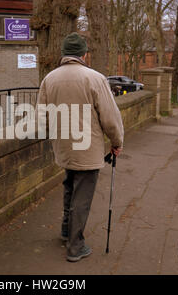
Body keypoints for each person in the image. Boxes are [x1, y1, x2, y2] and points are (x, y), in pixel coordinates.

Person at [37, 32, 124, 262]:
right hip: (87, 147)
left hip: (64, 144)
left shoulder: (49, 79)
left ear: (64, 54)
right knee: (82, 196)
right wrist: (117, 143)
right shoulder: (95, 78)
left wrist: (54, 135)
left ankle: (66, 231)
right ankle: (75, 247)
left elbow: (42, 117)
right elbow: (110, 118)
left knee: (69, 186)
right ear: (84, 54)